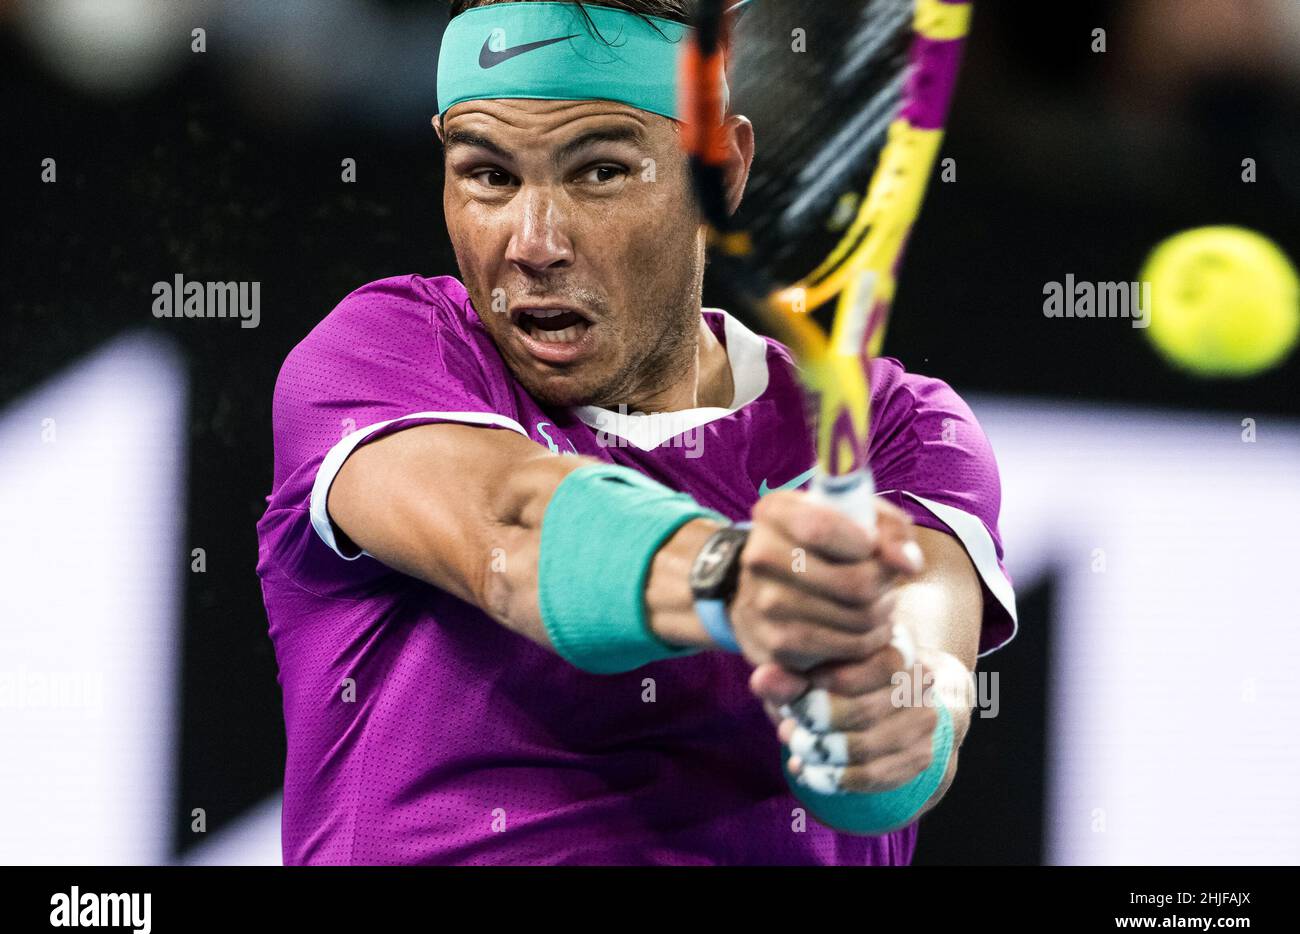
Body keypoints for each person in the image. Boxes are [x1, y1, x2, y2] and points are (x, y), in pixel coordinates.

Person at [256, 0, 1017, 865]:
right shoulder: (383, 355)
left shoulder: (902, 430)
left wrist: (883, 714)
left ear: (721, 171)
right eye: (489, 177)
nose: (532, 243)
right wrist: (730, 579)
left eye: (601, 172)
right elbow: (512, 527)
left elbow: (920, 679)